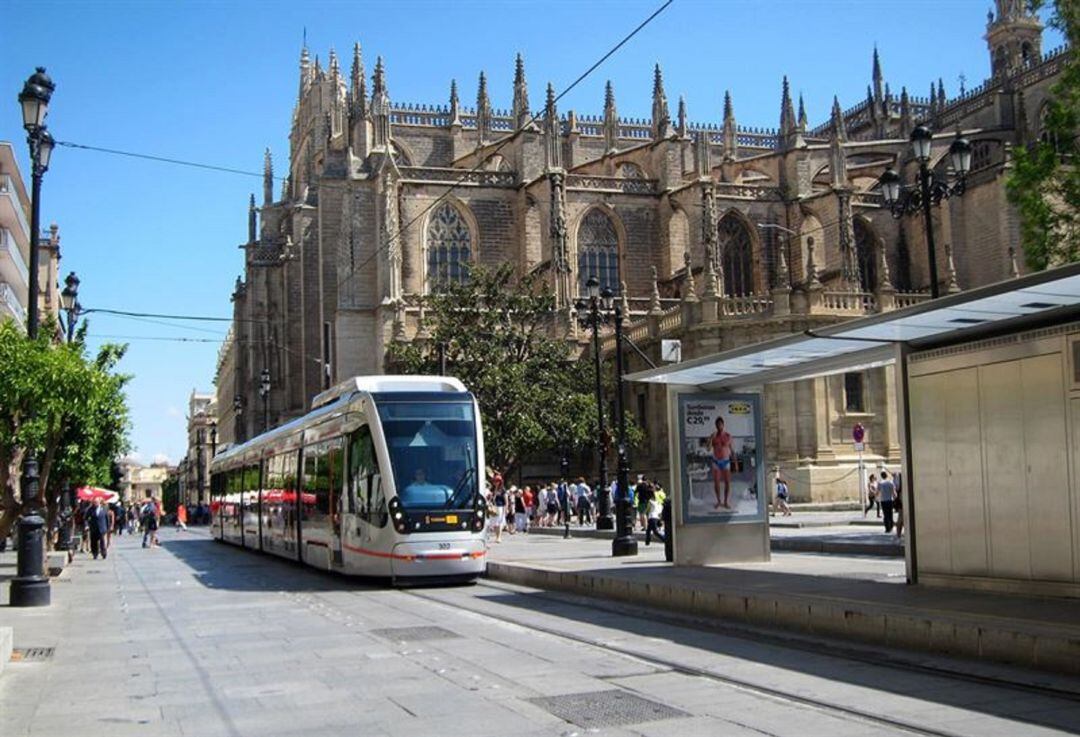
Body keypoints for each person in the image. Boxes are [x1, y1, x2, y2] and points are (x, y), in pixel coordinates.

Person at [708, 416, 733, 509]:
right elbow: (708, 448)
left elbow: (731, 449)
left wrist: (735, 461)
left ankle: (725, 502)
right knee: (716, 483)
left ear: (723, 425)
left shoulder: (728, 436)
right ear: (715, 426)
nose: (719, 426)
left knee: (727, 482)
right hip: (716, 461)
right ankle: (719, 501)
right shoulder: (713, 436)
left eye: (720, 424)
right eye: (717, 425)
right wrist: (710, 439)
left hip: (726, 461)